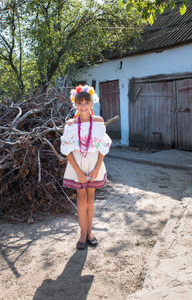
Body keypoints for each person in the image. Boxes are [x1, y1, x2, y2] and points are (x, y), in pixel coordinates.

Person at [60, 84, 111, 250]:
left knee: (91, 198)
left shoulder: (98, 122)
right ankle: (82, 234)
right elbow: (67, 150)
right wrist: (78, 171)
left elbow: (103, 145)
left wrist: (97, 168)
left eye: (86, 102)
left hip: (94, 163)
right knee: (81, 198)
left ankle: (90, 232)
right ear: (75, 104)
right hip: (77, 164)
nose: (83, 106)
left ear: (91, 104)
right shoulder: (70, 124)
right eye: (79, 103)